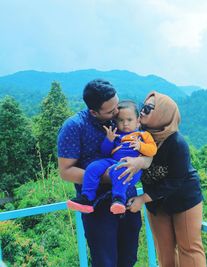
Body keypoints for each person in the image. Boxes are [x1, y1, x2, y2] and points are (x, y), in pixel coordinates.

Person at [57, 79, 152, 267]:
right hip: (96, 204)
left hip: (127, 199)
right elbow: (65, 172)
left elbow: (148, 151)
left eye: (116, 106)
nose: (116, 113)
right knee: (105, 262)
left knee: (129, 259)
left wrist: (140, 162)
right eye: (110, 111)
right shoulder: (74, 126)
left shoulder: (124, 119)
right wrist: (108, 176)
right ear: (93, 111)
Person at [126, 91, 207, 267]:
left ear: (163, 114)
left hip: (183, 198)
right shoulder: (138, 137)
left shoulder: (177, 143)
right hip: (156, 202)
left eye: (149, 108)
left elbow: (176, 180)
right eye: (143, 106)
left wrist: (142, 199)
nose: (142, 111)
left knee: (189, 249)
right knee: (164, 251)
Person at [67, 100, 157, 214]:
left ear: (138, 121)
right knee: (94, 166)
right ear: (115, 121)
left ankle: (118, 199)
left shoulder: (143, 135)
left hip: (131, 167)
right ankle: (87, 198)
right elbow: (105, 152)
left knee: (120, 169)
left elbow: (152, 150)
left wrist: (141, 146)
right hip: (113, 161)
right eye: (121, 120)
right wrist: (109, 140)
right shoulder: (115, 133)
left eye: (129, 120)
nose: (125, 124)